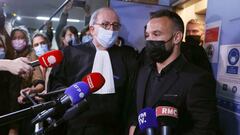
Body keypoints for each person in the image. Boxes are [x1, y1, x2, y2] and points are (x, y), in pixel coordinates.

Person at [48, 7, 138, 135]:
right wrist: (68, 97)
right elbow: (56, 84)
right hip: (77, 127)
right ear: (92, 29)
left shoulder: (128, 56)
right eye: (105, 25)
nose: (111, 30)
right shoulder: (71, 53)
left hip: (115, 127)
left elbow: (133, 93)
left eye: (115, 25)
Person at [129, 9, 219, 135]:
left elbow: (206, 129)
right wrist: (133, 125)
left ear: (177, 37)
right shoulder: (143, 72)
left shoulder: (197, 78)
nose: (150, 40)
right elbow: (137, 109)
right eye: (147, 35)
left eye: (156, 34)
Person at [0, 36, 21, 135]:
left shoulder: (12, 69)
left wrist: (14, 127)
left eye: (0, 46)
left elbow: (13, 101)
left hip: (5, 122)